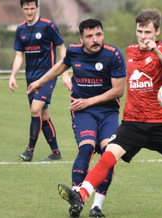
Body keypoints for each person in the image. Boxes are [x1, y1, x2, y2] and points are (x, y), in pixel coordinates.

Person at [41, 9, 162, 217]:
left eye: (148, 32)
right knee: (108, 156)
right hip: (133, 123)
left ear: (157, 32)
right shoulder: (130, 51)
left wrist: (156, 52)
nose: (143, 36)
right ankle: (82, 195)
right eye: (140, 31)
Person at [27, 19, 127, 217]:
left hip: (107, 112)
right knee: (87, 146)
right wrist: (39, 82)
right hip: (83, 112)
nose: (95, 39)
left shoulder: (113, 54)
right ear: (81, 39)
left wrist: (88, 101)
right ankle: (76, 199)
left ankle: (96, 206)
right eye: (89, 36)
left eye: (98, 34)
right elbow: (60, 67)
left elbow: (118, 91)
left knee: (109, 153)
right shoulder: (73, 51)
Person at [9, 0, 67, 161]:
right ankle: (56, 153)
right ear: (22, 8)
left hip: (47, 77)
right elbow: (19, 55)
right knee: (43, 115)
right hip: (31, 79)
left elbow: (62, 48)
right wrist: (13, 75)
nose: (29, 11)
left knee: (35, 110)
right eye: (26, 9)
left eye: (32, 8)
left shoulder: (48, 26)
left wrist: (64, 73)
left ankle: (29, 151)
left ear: (37, 7)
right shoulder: (20, 29)